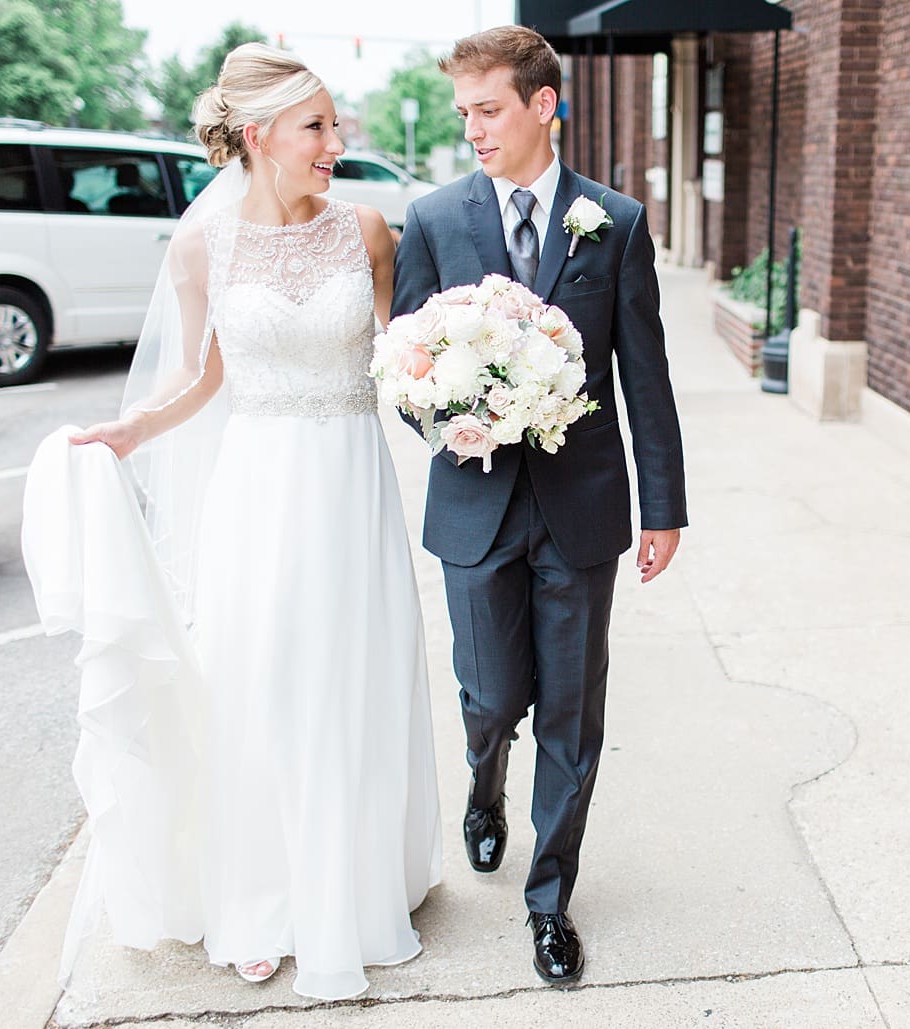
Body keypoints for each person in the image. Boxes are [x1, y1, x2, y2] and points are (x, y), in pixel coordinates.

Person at [32, 43, 441, 1000]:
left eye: (335, 125)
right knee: (258, 682)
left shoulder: (369, 231)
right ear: (257, 137)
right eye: (318, 127)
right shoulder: (199, 246)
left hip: (350, 481)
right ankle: (258, 898)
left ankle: (360, 881)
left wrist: (476, 387)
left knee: (354, 672)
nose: (336, 143)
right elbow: (200, 376)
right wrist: (129, 431)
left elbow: (408, 358)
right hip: (259, 487)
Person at [392, 25, 687, 985]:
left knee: (570, 709)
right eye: (464, 113)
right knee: (491, 698)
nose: (473, 129)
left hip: (582, 504)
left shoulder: (615, 221)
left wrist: (664, 505)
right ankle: (485, 790)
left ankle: (549, 898)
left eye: (488, 109)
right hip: (474, 506)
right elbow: (407, 371)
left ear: (541, 105)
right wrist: (456, 416)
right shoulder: (433, 220)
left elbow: (644, 373)